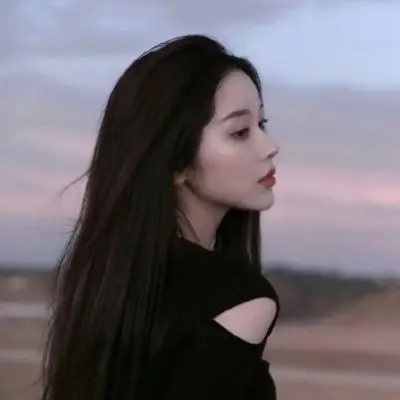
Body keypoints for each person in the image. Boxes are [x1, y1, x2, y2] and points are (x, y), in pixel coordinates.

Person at [41, 34, 280, 400]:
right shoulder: (238, 300)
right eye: (240, 132)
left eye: (261, 124)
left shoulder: (107, 282)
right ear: (176, 161)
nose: (270, 147)